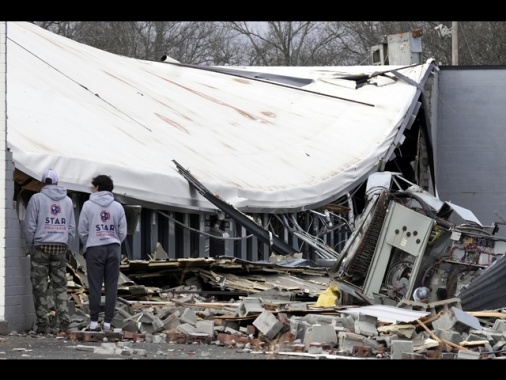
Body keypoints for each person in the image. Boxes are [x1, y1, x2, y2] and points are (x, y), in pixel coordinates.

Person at [24, 168, 75, 334]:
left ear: (42, 183)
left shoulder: (36, 198)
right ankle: (64, 324)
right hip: (59, 247)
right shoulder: (67, 201)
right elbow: (71, 227)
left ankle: (43, 325)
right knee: (60, 286)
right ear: (57, 182)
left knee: (40, 288)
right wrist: (66, 243)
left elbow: (30, 225)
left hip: (40, 246)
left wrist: (29, 245)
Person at [78, 174, 127, 331]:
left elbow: (82, 230)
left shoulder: (88, 205)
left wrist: (90, 241)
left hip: (95, 248)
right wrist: (113, 240)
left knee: (95, 286)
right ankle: (107, 323)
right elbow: (122, 231)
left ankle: (93, 323)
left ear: (97, 187)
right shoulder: (118, 207)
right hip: (113, 248)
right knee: (112, 286)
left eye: (93, 186)